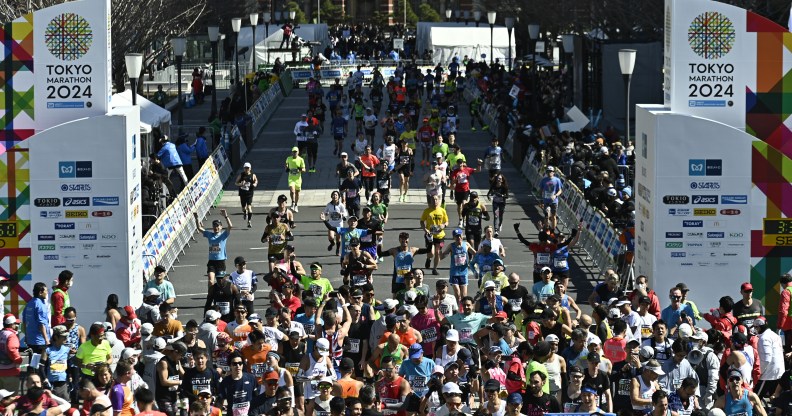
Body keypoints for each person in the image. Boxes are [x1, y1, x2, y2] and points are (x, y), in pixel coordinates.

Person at [194, 209, 232, 287]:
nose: (216, 227)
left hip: (221, 261)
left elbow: (230, 226)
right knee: (211, 281)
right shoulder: (209, 234)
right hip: (211, 262)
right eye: (214, 226)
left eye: (217, 226)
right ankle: (210, 296)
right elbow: (199, 228)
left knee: (221, 283)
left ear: (221, 227)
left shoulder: (223, 235)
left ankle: (221, 295)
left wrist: (226, 216)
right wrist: (196, 218)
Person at [439, 228, 476, 300]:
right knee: (457, 293)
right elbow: (442, 256)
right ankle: (458, 308)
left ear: (462, 235)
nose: (458, 238)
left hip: (464, 273)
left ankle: (462, 308)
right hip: (454, 273)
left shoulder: (466, 245)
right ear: (454, 237)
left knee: (464, 295)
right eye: (456, 236)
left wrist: (473, 262)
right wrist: (440, 250)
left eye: (460, 236)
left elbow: (475, 253)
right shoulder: (451, 246)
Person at [420, 194, 449, 275]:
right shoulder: (427, 211)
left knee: (437, 252)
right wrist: (424, 229)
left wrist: (444, 225)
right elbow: (422, 221)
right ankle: (428, 259)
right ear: (430, 201)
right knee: (431, 252)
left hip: (440, 236)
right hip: (430, 235)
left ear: (439, 201)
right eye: (433, 200)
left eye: (436, 200)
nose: (435, 201)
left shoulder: (442, 210)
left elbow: (446, 221)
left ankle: (434, 268)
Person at [0, 314, 22, 390]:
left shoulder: (1, 333)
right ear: (11, 324)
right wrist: (19, 360)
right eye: (16, 323)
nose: (17, 325)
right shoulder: (11, 335)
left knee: (2, 399)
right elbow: (12, 349)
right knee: (11, 399)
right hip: (10, 372)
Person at [538, 166, 563, 231]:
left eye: (550, 171)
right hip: (546, 201)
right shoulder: (544, 180)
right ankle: (547, 228)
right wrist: (540, 200)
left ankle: (553, 230)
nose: (549, 173)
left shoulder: (557, 180)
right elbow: (540, 190)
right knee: (546, 216)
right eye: (548, 171)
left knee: (553, 216)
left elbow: (560, 190)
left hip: (554, 201)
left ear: (553, 172)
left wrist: (555, 195)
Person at [235, 162, 258, 228]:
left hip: (249, 194)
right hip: (242, 193)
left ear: (250, 168)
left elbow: (256, 181)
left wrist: (255, 184)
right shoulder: (241, 175)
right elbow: (236, 183)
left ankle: (249, 221)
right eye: (245, 168)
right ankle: (245, 212)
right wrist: (241, 184)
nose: (246, 169)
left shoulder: (253, 175)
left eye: (247, 168)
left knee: (249, 208)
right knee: (243, 208)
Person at [286, 146, 307, 212]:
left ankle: (296, 205)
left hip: (298, 179)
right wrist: (287, 168)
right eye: (293, 152)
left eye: (296, 152)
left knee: (297, 193)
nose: (294, 153)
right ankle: (293, 203)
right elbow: (286, 165)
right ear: (292, 152)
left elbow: (304, 169)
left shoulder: (301, 159)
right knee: (292, 191)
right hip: (291, 178)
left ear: (298, 152)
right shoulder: (289, 158)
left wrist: (299, 169)